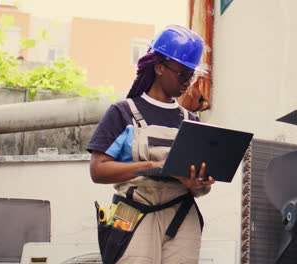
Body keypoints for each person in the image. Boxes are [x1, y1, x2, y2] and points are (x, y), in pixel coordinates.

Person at [87, 25, 215, 264]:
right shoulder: (123, 113)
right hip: (133, 213)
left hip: (181, 217)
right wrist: (154, 165)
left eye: (192, 75)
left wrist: (198, 185)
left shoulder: (191, 122)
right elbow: (98, 170)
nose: (189, 81)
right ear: (158, 68)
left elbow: (202, 191)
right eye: (183, 74)